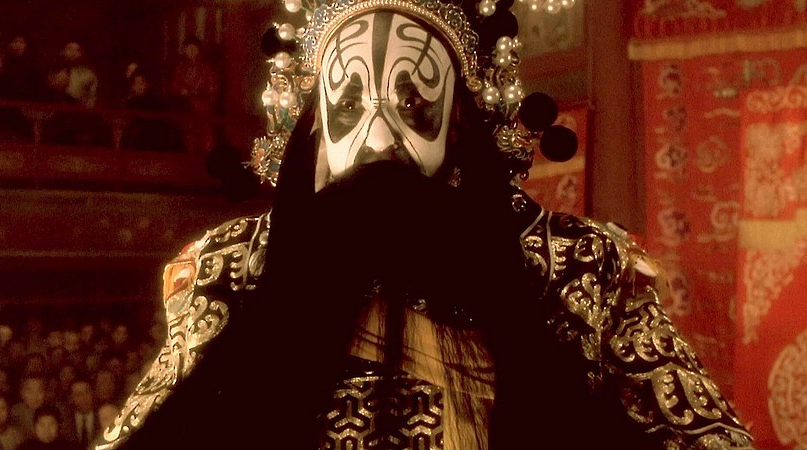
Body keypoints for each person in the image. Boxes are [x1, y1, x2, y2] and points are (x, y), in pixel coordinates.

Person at [94, 1, 756, 450]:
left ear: (459, 124)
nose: (380, 139)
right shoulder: (233, 269)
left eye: (413, 104)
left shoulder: (577, 267)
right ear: (314, 126)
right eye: (350, 104)